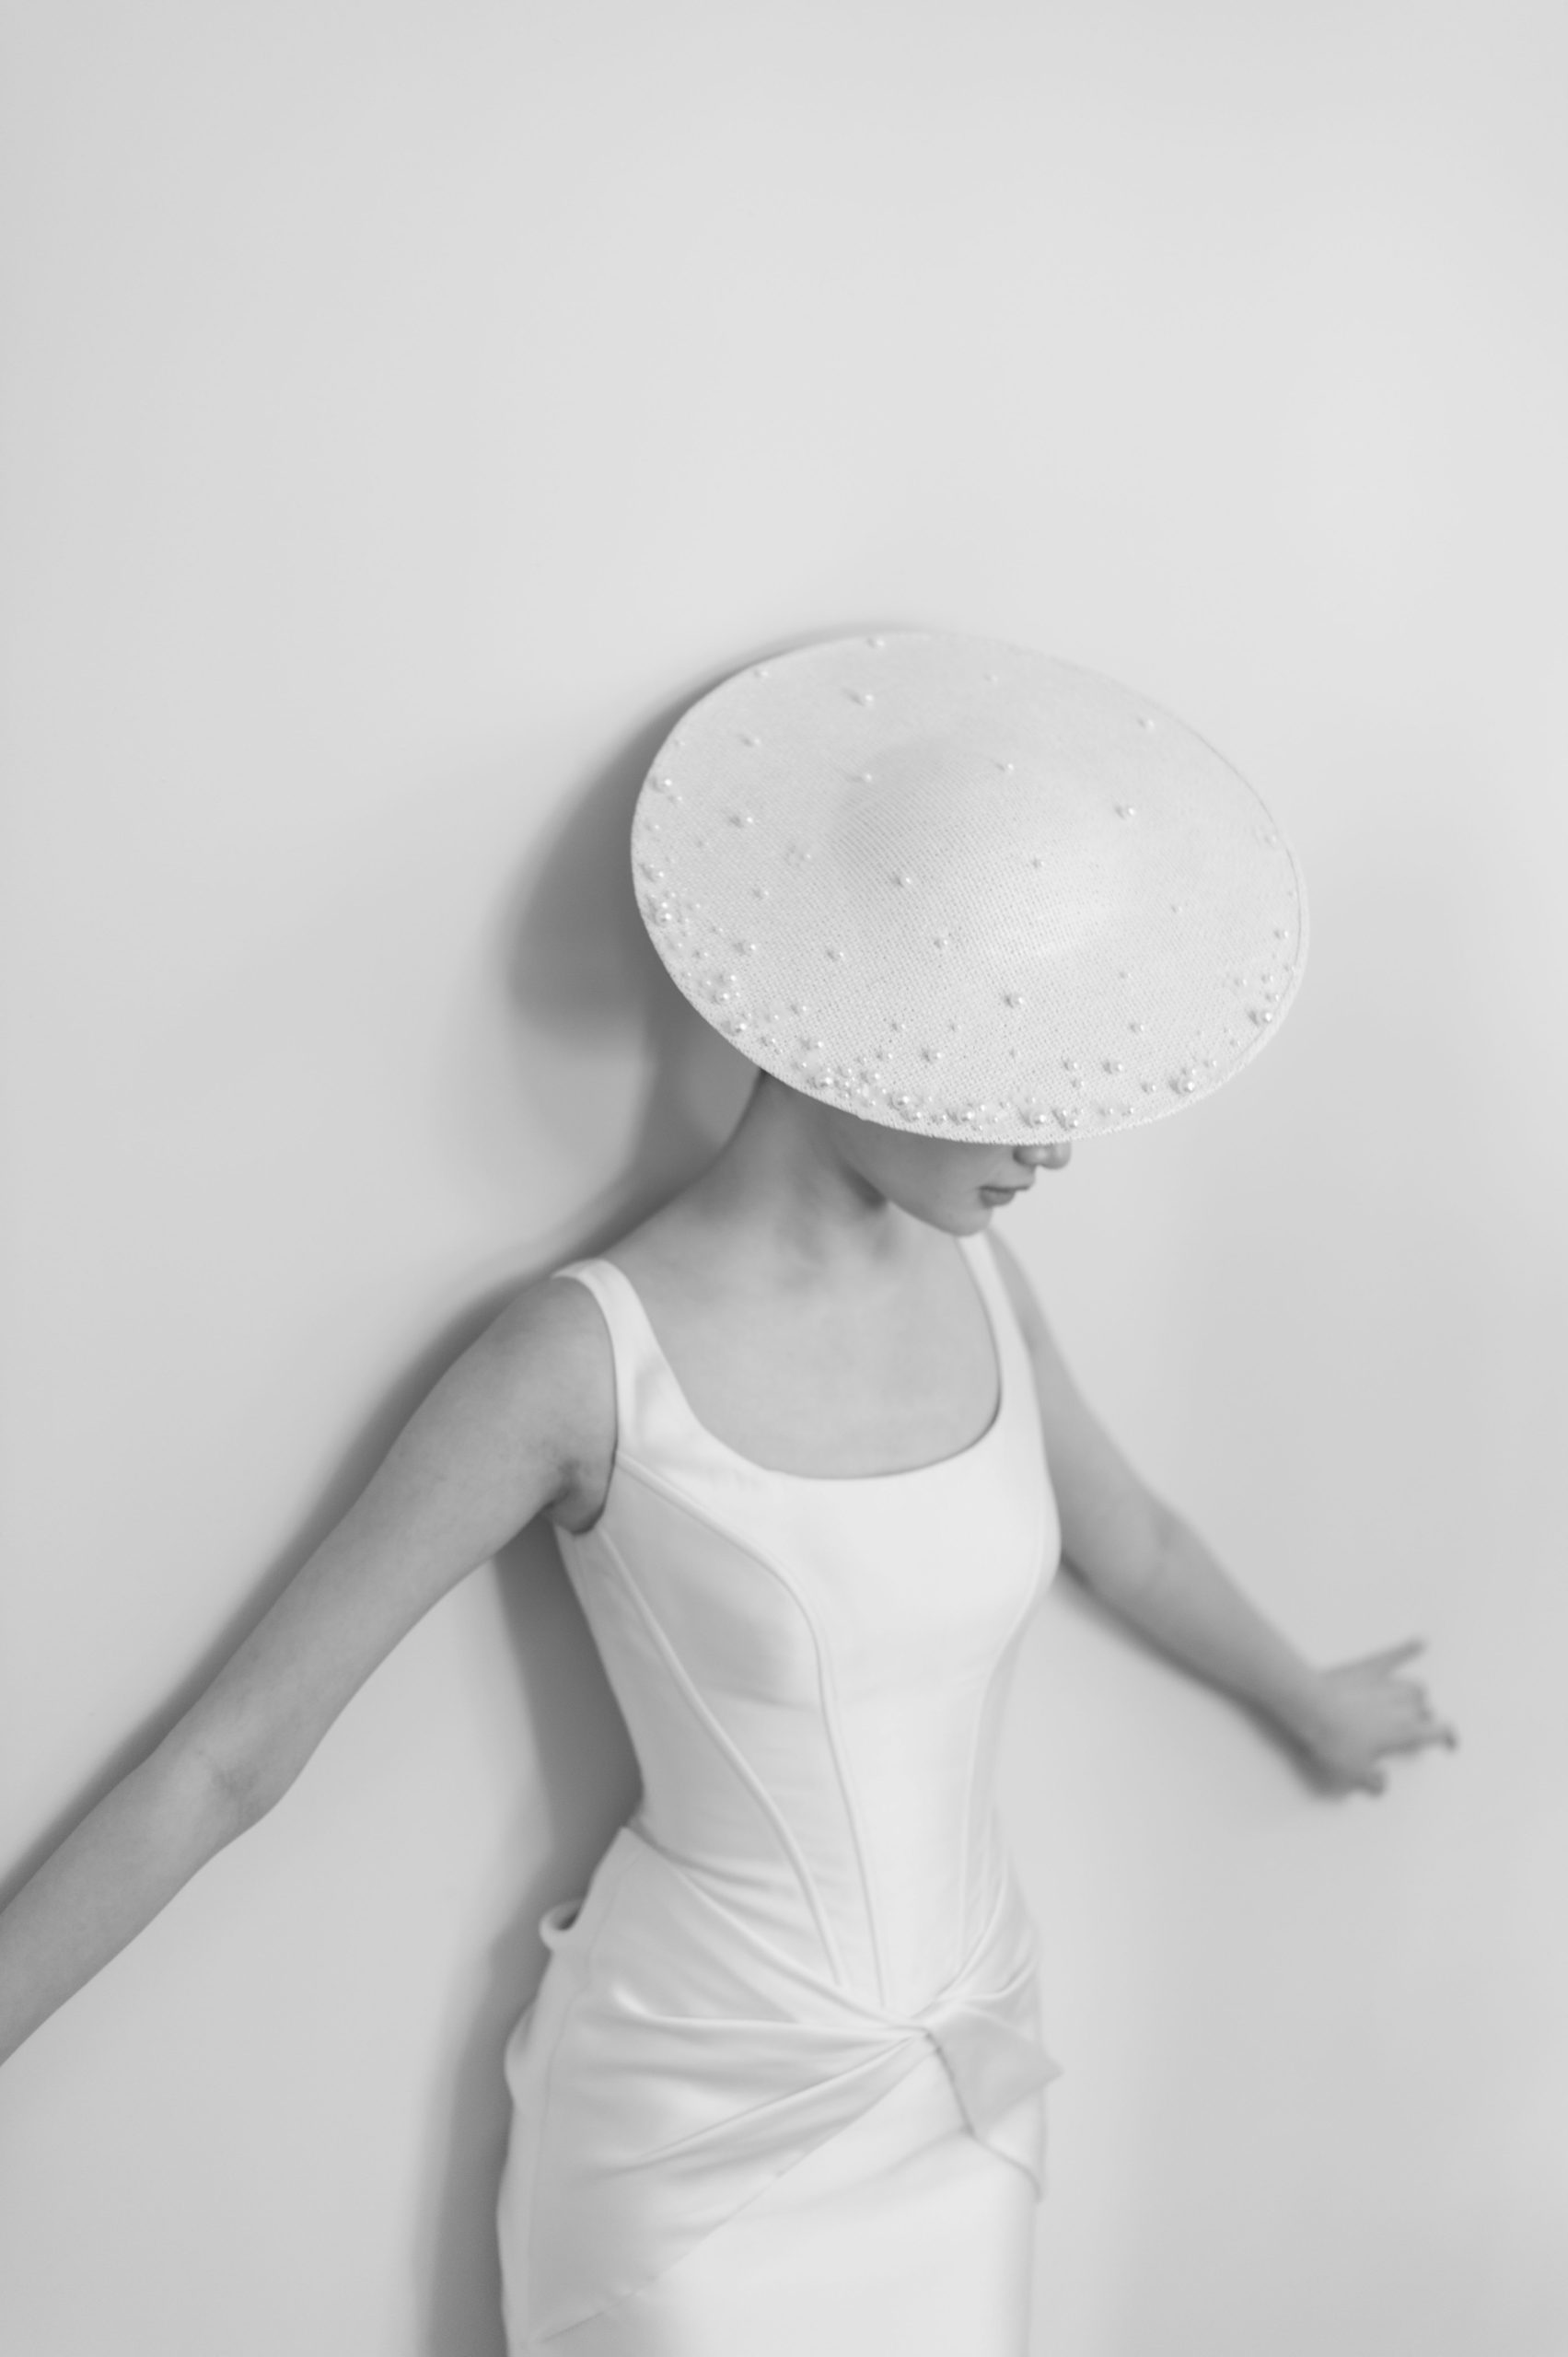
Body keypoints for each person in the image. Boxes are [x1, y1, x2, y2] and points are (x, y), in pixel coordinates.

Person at [0, 633, 1455, 2353]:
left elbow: (1127, 1536)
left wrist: (1309, 1699)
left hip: (971, 2077)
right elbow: (228, 1759)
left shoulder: (982, 1278)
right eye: (1012, 1073)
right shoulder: (577, 1361)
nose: (1057, 1138)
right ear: (849, 1029)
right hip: (695, 2135)